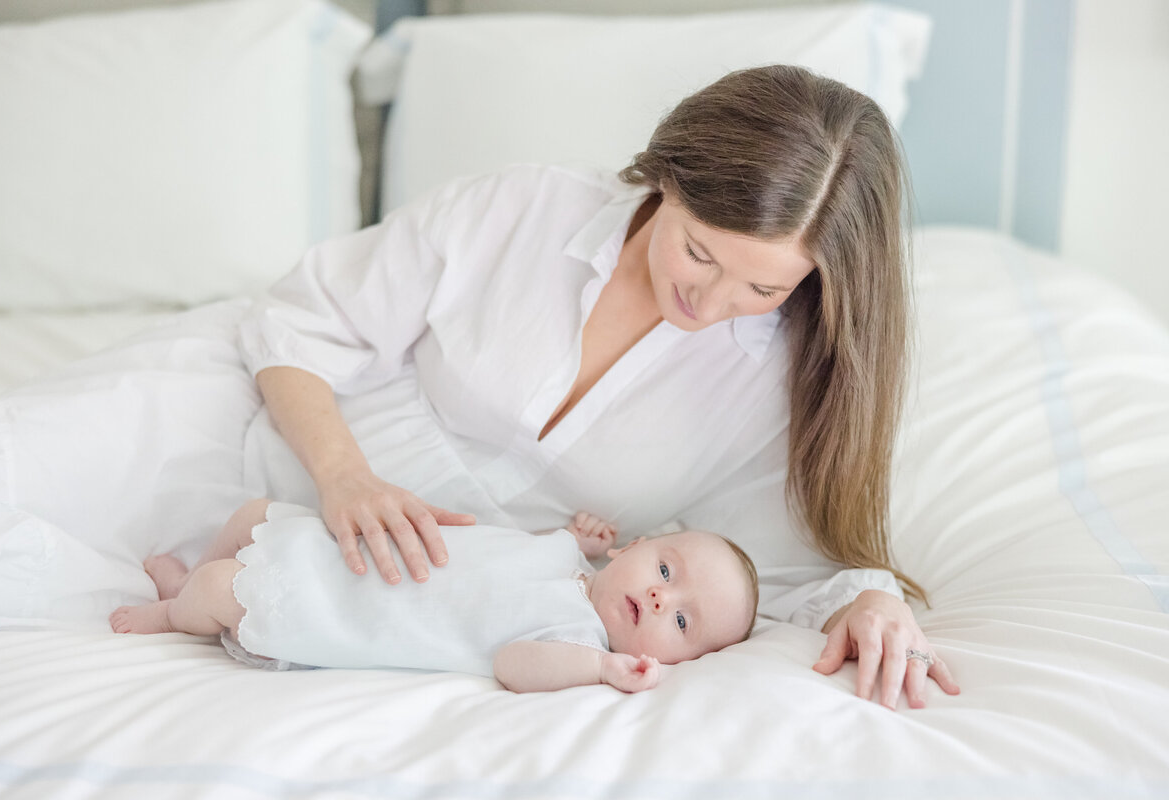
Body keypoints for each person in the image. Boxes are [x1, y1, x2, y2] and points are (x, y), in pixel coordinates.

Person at [236, 64, 958, 710]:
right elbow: (301, 322)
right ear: (665, 179)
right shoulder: (524, 209)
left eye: (762, 287)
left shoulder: (776, 375)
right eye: (698, 252)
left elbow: (778, 563)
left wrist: (870, 603)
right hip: (289, 459)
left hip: (436, 611)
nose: (706, 306)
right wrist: (343, 477)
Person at [110, 503, 759, 693]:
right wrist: (574, 537)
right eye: (666, 568)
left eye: (680, 618)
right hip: (354, 560)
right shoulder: (564, 557)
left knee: (220, 590)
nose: (656, 593)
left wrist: (602, 669)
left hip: (341, 611)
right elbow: (508, 554)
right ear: (629, 548)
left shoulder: (577, 642)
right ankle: (192, 579)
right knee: (255, 516)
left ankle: (174, 610)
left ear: (677, 660)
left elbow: (514, 663)